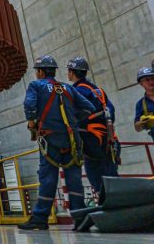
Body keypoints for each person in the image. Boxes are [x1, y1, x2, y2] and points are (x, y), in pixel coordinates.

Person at [18, 54, 95, 231]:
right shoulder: (68, 88)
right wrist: (71, 121)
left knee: (48, 178)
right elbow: (88, 108)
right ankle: (80, 218)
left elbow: (29, 105)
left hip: (49, 139)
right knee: (74, 178)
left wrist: (31, 122)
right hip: (72, 140)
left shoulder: (36, 85)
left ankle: (40, 218)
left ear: (39, 72)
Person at [66, 57, 119, 195]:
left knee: (98, 183)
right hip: (110, 141)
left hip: (92, 144)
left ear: (72, 72)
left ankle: (108, 212)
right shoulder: (99, 91)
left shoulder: (75, 92)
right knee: (113, 180)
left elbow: (72, 116)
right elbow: (111, 113)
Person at [134, 67, 154, 142]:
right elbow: (137, 128)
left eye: (153, 78)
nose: (151, 81)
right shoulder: (140, 104)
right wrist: (143, 123)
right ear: (141, 83)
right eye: (147, 80)